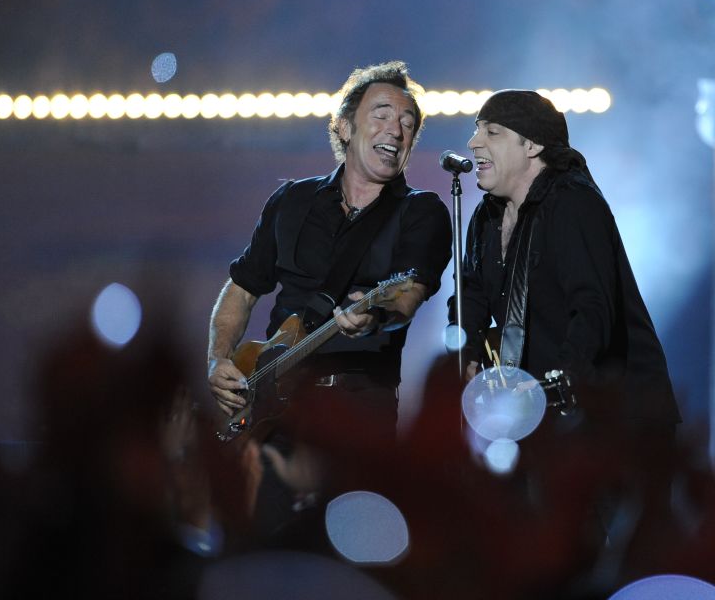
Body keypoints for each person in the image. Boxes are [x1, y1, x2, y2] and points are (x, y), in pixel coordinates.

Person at [206, 60, 452, 544]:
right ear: (344, 125)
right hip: (272, 412)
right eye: (383, 114)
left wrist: (376, 314)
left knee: (350, 550)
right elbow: (241, 288)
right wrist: (218, 359)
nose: (396, 130)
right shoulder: (292, 201)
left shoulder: (421, 212)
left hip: (357, 414)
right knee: (261, 550)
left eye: (408, 123)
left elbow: (410, 292)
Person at [450, 89, 682, 576]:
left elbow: (592, 309)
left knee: (605, 556)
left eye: (491, 132)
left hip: (609, 416)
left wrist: (558, 385)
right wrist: (468, 344)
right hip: (542, 417)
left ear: (531, 146)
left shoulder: (574, 203)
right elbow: (470, 292)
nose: (473, 143)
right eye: (476, 130)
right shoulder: (486, 216)